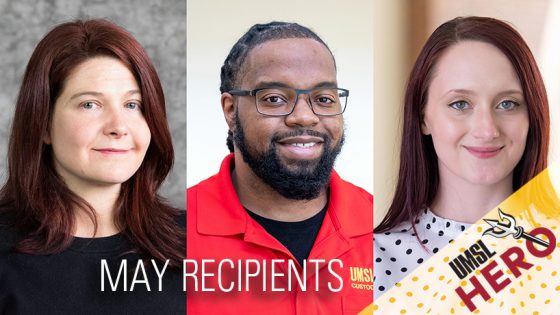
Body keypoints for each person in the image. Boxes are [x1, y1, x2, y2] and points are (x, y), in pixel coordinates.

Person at [186, 22, 373, 314]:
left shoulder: (387, 226)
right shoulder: (170, 236)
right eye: (274, 99)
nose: (304, 117)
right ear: (230, 110)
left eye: (323, 99)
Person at [0, 19, 185, 313]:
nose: (118, 127)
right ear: (43, 124)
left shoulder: (199, 246)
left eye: (133, 105)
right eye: (90, 104)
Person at [374, 16, 549, 297]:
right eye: (460, 104)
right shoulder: (370, 264)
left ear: (532, 117)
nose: (487, 130)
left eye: (508, 104)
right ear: (423, 118)